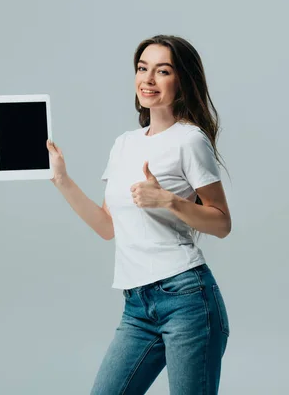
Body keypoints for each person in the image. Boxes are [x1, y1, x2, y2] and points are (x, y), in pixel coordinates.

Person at [46, 35, 232, 395]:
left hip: (186, 300)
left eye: (162, 70)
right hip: (137, 306)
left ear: (181, 81)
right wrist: (62, 179)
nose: (147, 79)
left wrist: (167, 200)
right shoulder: (124, 144)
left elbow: (222, 222)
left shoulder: (190, 140)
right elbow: (107, 226)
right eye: (142, 68)